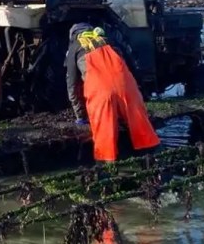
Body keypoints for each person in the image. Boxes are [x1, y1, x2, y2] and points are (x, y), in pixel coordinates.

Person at [66, 22, 160, 161]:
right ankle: (154, 159)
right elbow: (130, 66)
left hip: (100, 91)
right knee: (142, 127)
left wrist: (80, 116)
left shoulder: (75, 47)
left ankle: (108, 169)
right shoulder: (108, 40)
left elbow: (72, 85)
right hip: (126, 86)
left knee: (105, 137)